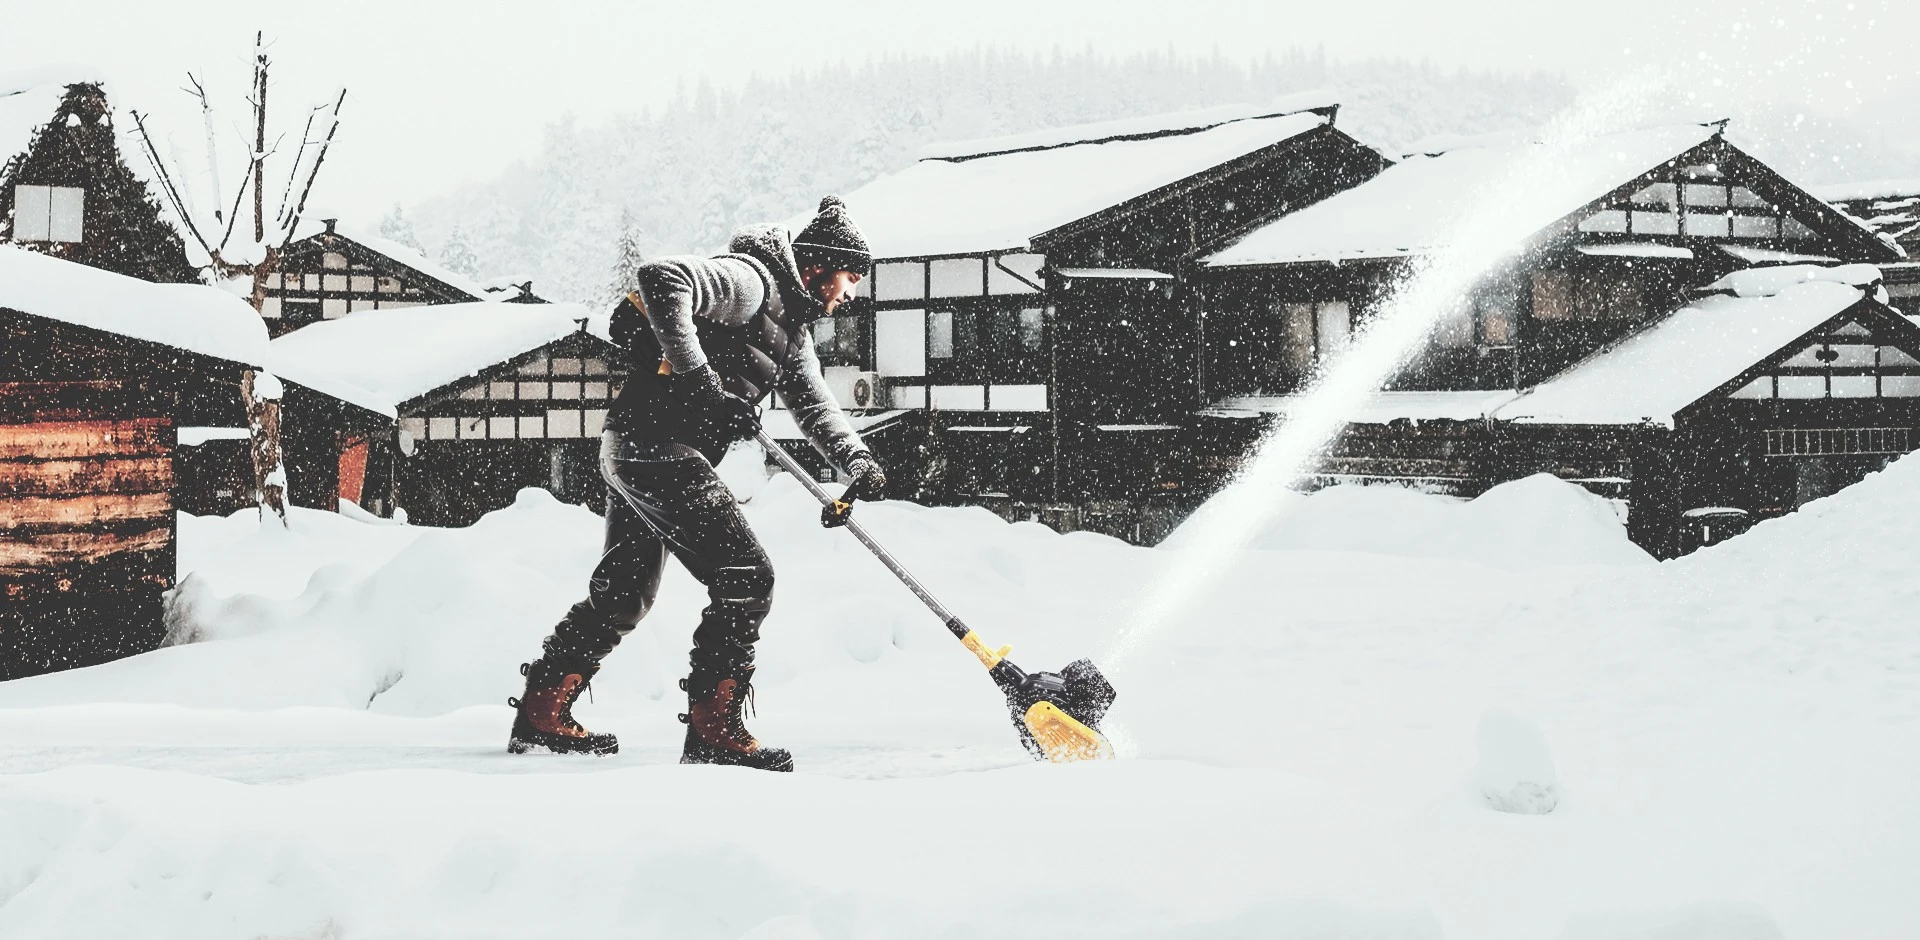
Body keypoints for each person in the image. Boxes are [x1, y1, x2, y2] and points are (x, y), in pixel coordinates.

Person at [507, 196, 887, 771]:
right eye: (850, 277)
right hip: (657, 446)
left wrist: (856, 459)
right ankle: (714, 731)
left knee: (624, 594)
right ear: (818, 265)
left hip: (637, 446)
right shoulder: (753, 282)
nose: (851, 293)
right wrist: (705, 384)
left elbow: (815, 408)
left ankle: (541, 714)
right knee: (746, 576)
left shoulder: (794, 330)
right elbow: (661, 278)